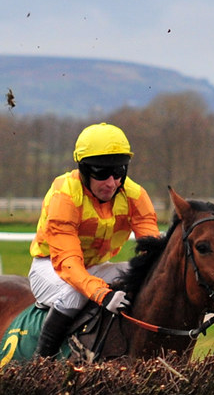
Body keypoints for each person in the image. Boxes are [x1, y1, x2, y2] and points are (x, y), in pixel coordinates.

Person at [28, 122, 160, 357]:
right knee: (76, 293)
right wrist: (102, 294)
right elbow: (68, 261)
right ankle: (42, 362)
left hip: (95, 268)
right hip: (51, 267)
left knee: (143, 274)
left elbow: (151, 251)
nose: (111, 182)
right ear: (83, 169)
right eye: (101, 173)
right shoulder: (65, 194)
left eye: (119, 171)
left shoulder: (136, 195)